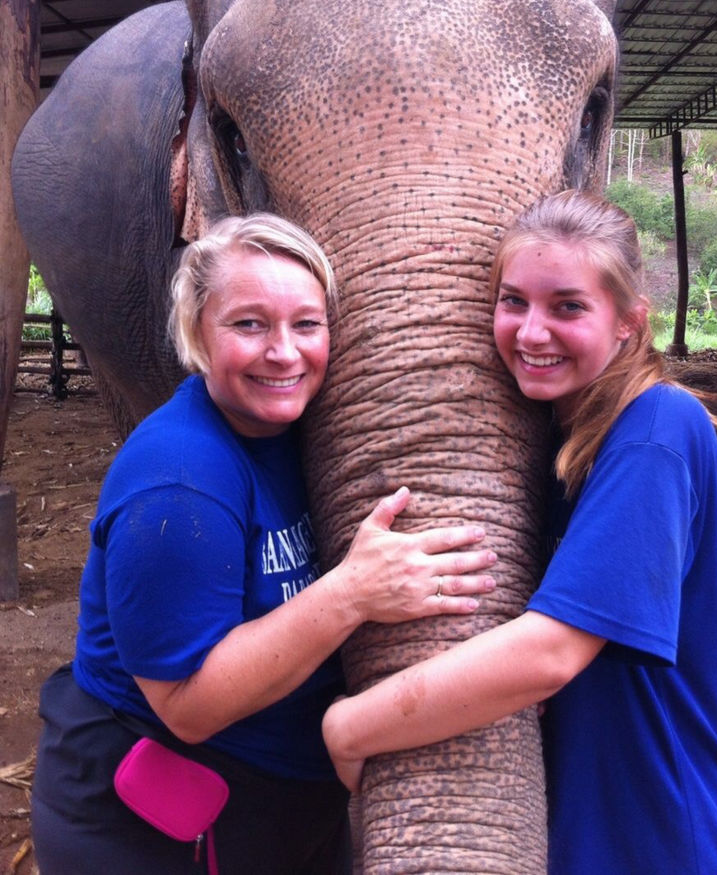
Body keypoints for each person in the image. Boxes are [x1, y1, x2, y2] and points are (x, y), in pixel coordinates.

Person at [31, 213, 498, 875]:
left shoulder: (293, 436)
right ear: (197, 331)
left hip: (277, 800)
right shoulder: (179, 480)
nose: (283, 351)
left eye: (306, 324)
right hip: (158, 822)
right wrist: (351, 592)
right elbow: (188, 705)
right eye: (249, 324)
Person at [323, 190, 717, 874]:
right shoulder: (572, 438)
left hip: (662, 839)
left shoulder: (654, 431)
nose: (530, 332)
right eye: (512, 301)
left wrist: (352, 724)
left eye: (567, 306)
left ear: (628, 322)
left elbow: (550, 651)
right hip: (598, 831)